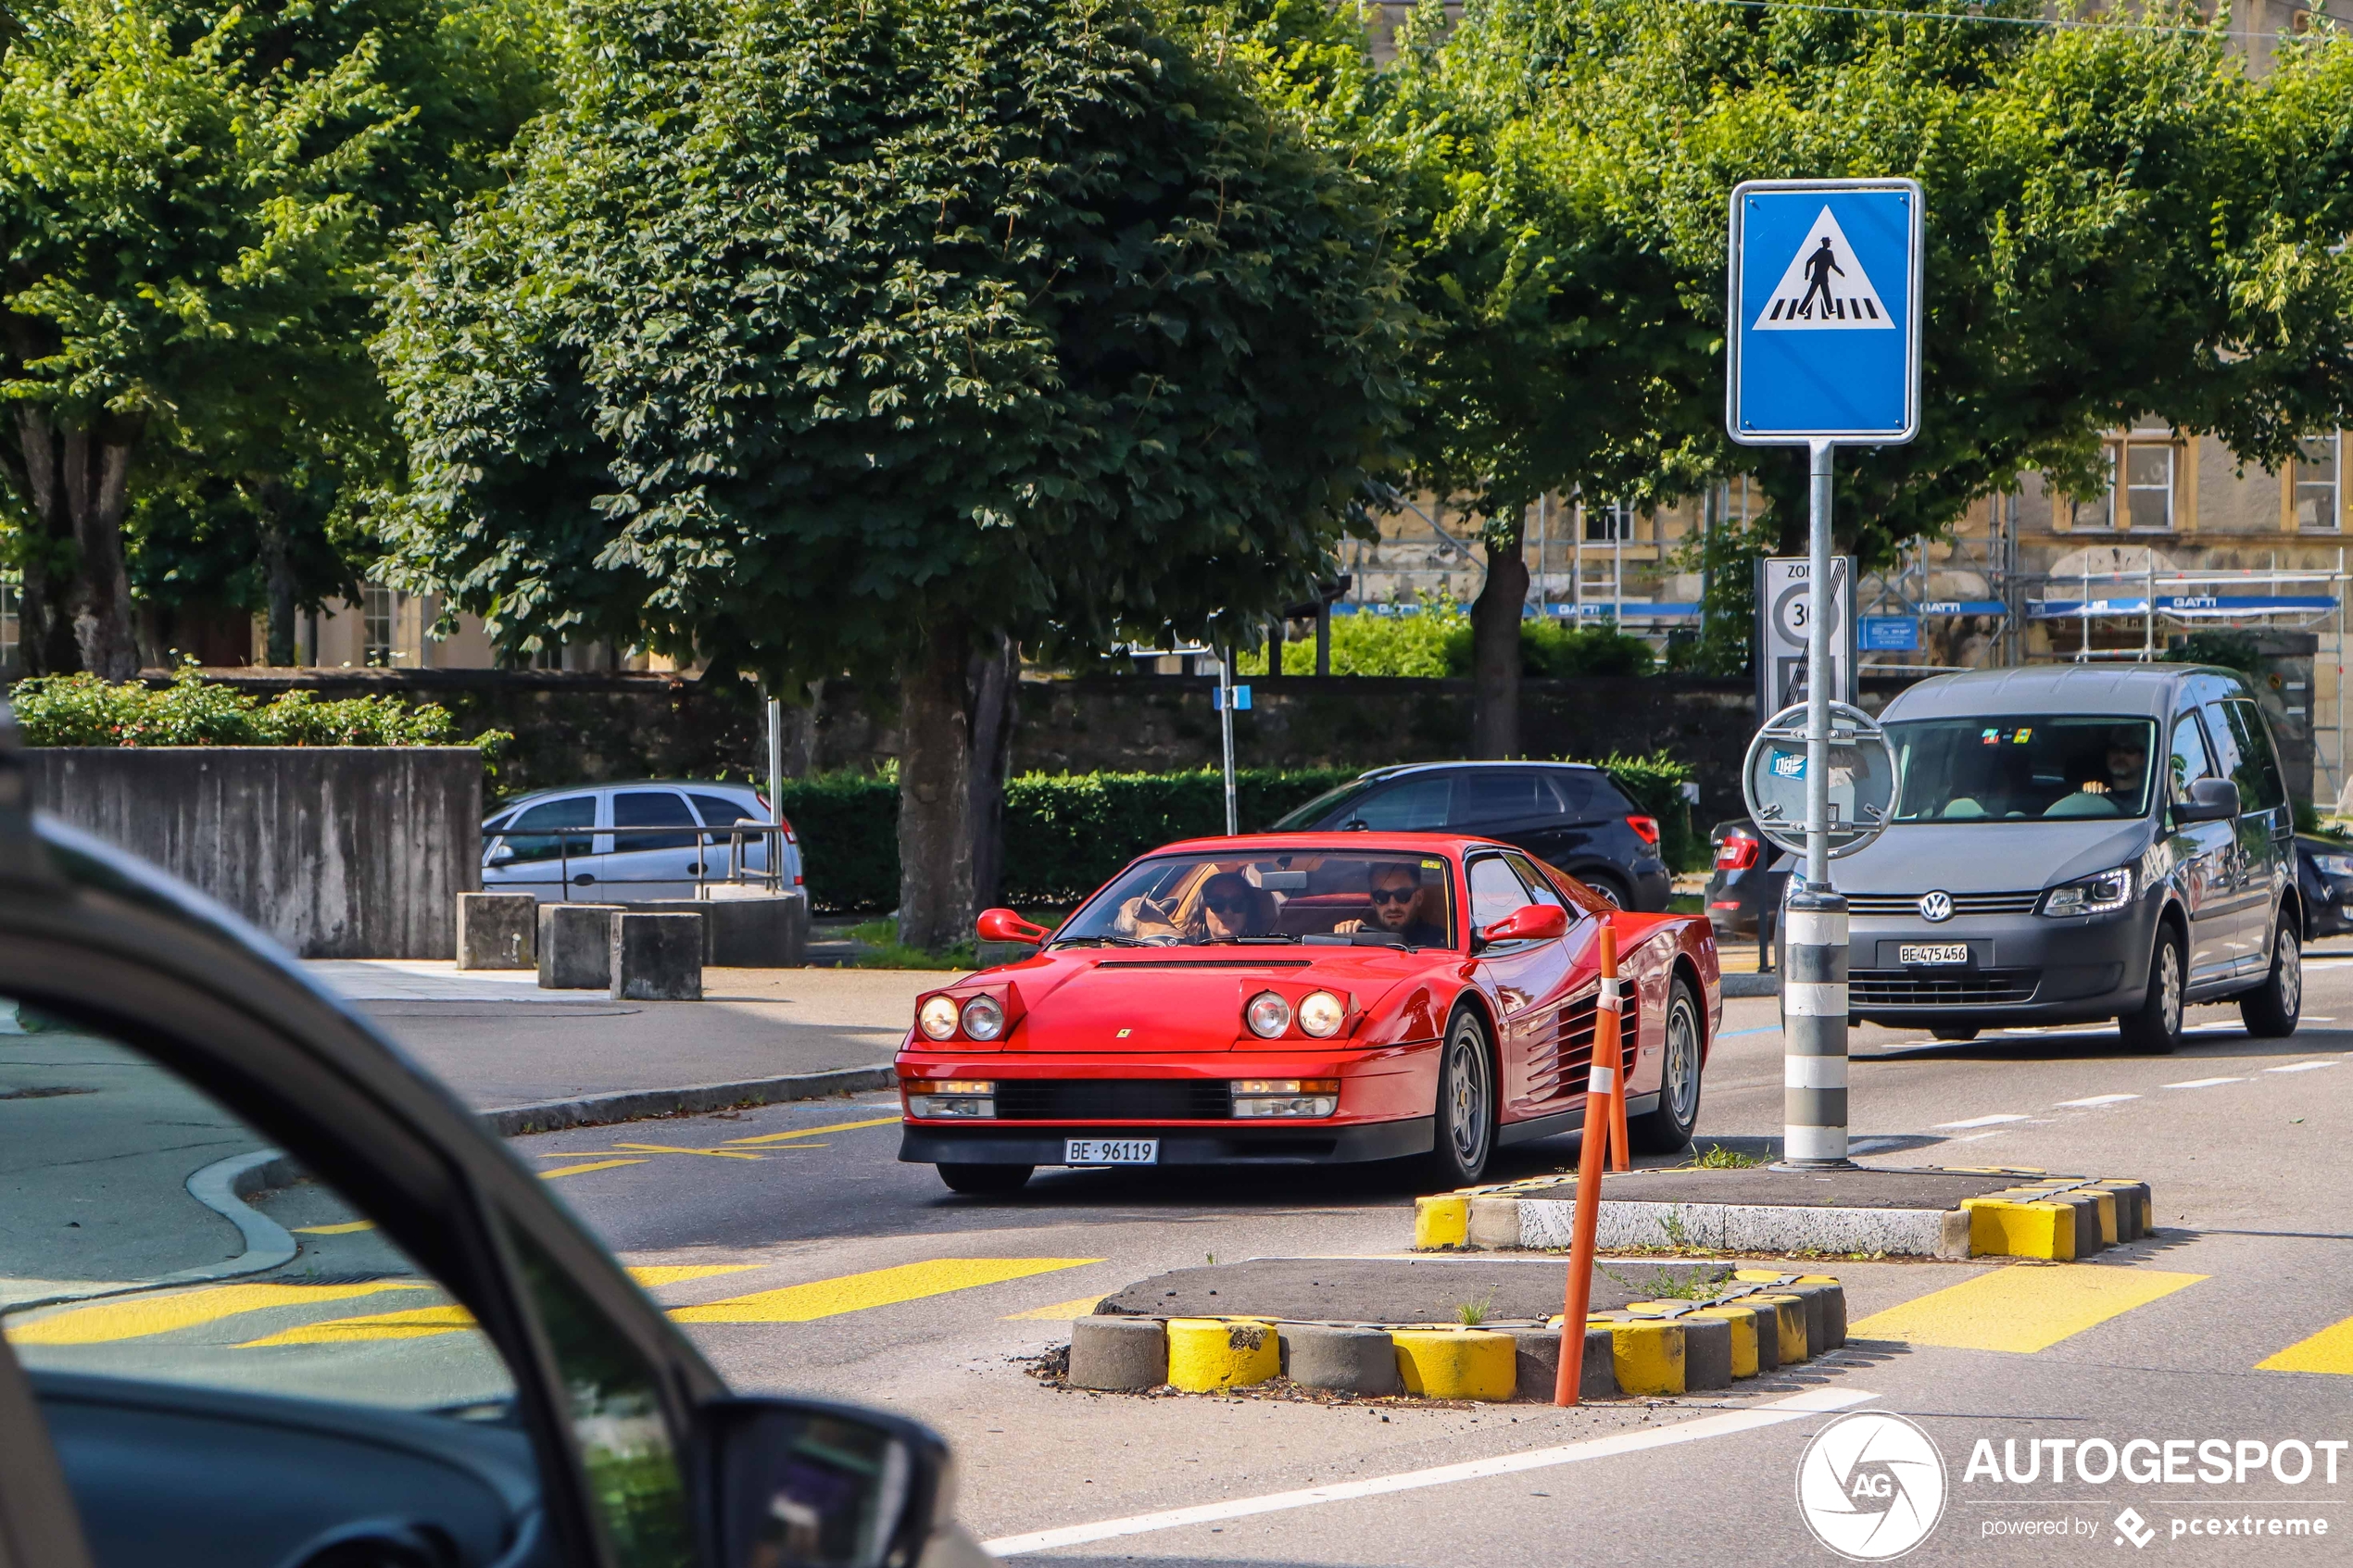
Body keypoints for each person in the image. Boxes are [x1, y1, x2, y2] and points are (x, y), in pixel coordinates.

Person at [1335, 861, 1450, 947]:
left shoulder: (1443, 942)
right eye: (1381, 897)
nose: (1392, 906)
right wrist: (1348, 936)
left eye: (1402, 895)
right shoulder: (1359, 936)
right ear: (1372, 901)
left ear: (1419, 897)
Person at [2081, 728, 2150, 805]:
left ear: (2143, 758)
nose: (2121, 755)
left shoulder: (2151, 798)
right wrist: (2090, 793)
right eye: (2115, 749)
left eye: (2130, 750)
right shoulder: (2099, 795)